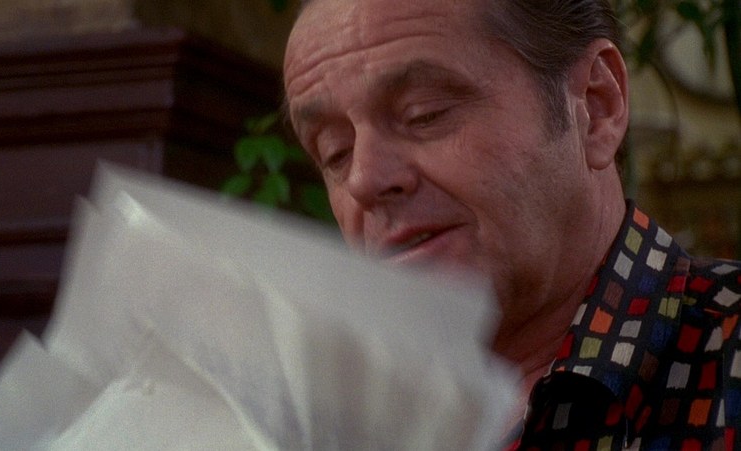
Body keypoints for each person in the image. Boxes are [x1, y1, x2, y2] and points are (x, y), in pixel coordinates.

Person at [282, 0, 741, 449]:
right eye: (335, 151)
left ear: (596, 107)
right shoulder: (331, 422)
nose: (363, 179)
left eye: (425, 113)